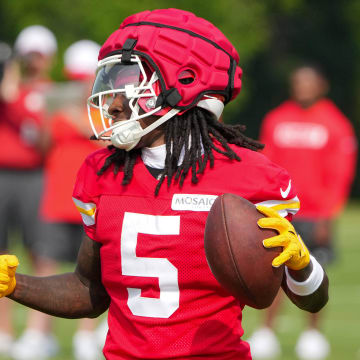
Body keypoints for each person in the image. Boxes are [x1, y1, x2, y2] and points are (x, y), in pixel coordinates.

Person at [0, 9, 329, 360]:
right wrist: (17, 285)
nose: (112, 100)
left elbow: (313, 299)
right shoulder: (103, 172)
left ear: (183, 85)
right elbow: (88, 288)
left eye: (128, 82)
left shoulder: (251, 178)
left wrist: (303, 265)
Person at [248, 65, 357, 360]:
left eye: (309, 82)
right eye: (298, 82)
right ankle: (266, 333)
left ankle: (312, 335)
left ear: (322, 86)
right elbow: (266, 164)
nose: (303, 87)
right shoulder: (276, 119)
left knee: (312, 276)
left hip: (316, 214)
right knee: (273, 273)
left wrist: (328, 214)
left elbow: (340, 173)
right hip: (280, 213)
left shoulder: (335, 124)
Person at [32, 40, 103, 360]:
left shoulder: (107, 108)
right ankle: (38, 333)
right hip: (58, 197)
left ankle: (85, 338)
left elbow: (106, 139)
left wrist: (77, 118)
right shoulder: (58, 107)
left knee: (91, 272)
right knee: (47, 266)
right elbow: (44, 146)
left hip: (91, 201)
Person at [0, 26, 57, 358]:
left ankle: (38, 332)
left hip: (36, 176)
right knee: (1, 253)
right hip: (2, 177)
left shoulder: (49, 92)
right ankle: (4, 330)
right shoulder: (8, 88)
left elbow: (42, 136)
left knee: (42, 253)